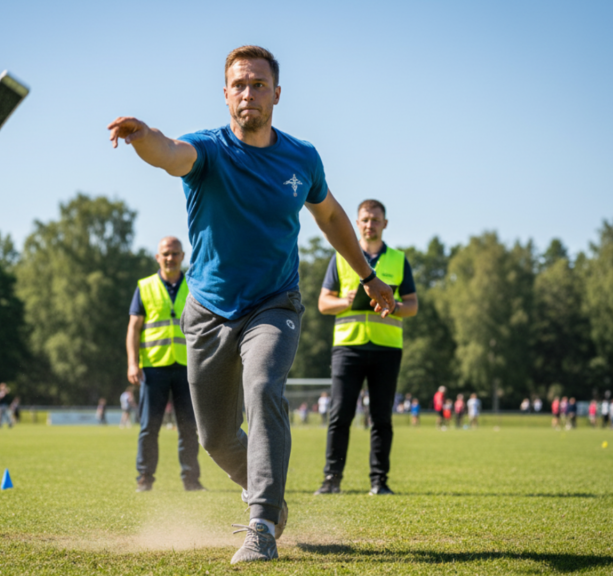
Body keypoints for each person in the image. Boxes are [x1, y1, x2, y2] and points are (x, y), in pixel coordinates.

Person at [107, 45, 396, 564]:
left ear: (276, 94)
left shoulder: (302, 158)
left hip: (274, 303)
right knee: (216, 437)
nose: (248, 93)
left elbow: (331, 217)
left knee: (263, 387)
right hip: (209, 312)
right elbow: (169, 152)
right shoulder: (208, 150)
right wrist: (141, 136)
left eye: (258, 84)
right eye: (239, 85)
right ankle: (270, 495)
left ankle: (261, 523)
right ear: (225, 94)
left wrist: (368, 276)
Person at [313, 198, 419, 497]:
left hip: (387, 347)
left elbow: (412, 306)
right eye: (365, 219)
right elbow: (323, 303)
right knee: (339, 416)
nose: (370, 224)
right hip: (348, 347)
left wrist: (395, 307)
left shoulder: (399, 260)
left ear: (385, 224)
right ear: (357, 223)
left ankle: (379, 482)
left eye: (375, 219)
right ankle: (331, 480)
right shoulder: (341, 256)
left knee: (382, 418)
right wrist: (344, 301)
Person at [126, 237, 204, 492]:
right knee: (149, 426)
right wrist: (132, 363)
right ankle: (144, 477)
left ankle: (191, 480)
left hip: (187, 366)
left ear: (183, 256)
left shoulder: (195, 285)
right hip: (153, 367)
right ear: (157, 257)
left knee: (189, 427)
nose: (170, 258)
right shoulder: (145, 286)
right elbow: (134, 328)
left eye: (175, 253)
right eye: (165, 254)